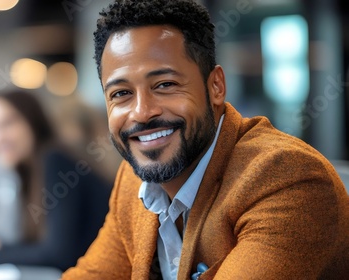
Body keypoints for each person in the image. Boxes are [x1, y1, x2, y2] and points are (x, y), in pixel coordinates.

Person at [62, 0, 349, 279]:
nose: (142, 112)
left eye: (165, 85)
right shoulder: (134, 181)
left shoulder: (286, 179)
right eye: (121, 93)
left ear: (216, 87)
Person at [0, 91, 111, 271]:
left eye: (7, 123)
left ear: (32, 120)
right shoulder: (30, 170)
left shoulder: (56, 160)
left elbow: (60, 254)